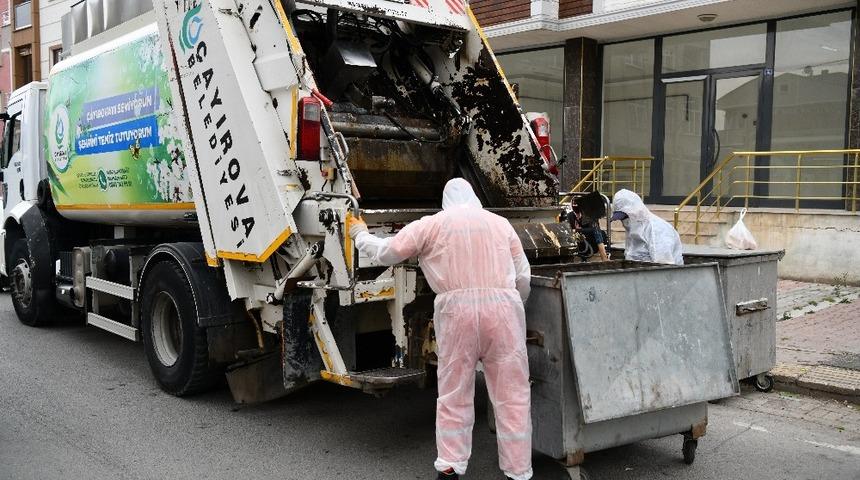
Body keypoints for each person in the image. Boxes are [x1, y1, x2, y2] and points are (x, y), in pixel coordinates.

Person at [349, 178, 533, 480]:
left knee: (454, 392)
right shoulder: (500, 224)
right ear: (474, 198)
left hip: (456, 313)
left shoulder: (432, 224)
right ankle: (518, 472)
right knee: (512, 394)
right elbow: (523, 276)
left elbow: (388, 252)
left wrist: (359, 234)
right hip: (503, 311)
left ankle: (450, 467)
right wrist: (515, 305)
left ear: (446, 201)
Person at [611, 189, 684, 265]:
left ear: (636, 212)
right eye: (621, 219)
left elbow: (663, 264)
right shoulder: (634, 230)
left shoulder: (657, 229)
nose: (624, 222)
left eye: (625, 217)